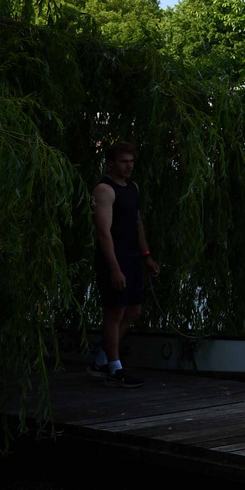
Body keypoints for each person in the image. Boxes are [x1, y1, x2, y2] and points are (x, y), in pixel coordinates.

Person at [90, 142, 158, 388]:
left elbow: (137, 223)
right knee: (115, 311)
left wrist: (147, 255)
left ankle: (101, 360)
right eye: (123, 161)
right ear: (111, 163)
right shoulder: (104, 190)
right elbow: (103, 233)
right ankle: (114, 368)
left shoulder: (133, 187)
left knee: (133, 310)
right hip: (113, 259)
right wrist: (114, 268)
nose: (129, 165)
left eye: (131, 161)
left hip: (132, 258)